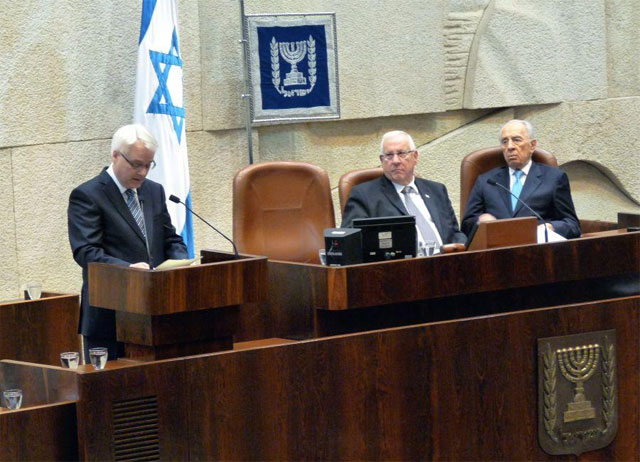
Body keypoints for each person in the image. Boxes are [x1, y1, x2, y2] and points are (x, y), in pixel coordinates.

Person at [68, 124, 188, 360]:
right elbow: (86, 252)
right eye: (136, 164)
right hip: (109, 315)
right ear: (115, 155)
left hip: (154, 313)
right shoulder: (88, 195)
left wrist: (182, 263)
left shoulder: (153, 191)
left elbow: (169, 238)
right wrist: (129, 270)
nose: (143, 172)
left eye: (148, 164)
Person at [341, 130, 466, 254]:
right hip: (400, 268)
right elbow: (351, 241)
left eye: (401, 153)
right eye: (389, 155)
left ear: (415, 157)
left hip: (447, 264)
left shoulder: (437, 190)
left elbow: (454, 233)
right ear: (382, 160)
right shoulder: (364, 195)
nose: (395, 161)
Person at [461, 119, 581, 238]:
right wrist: (480, 222)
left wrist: (550, 227)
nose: (510, 147)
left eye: (516, 140)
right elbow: (466, 226)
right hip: (496, 250)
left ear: (532, 145)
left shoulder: (554, 178)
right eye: (504, 142)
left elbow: (573, 225)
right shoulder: (486, 181)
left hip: (537, 249)